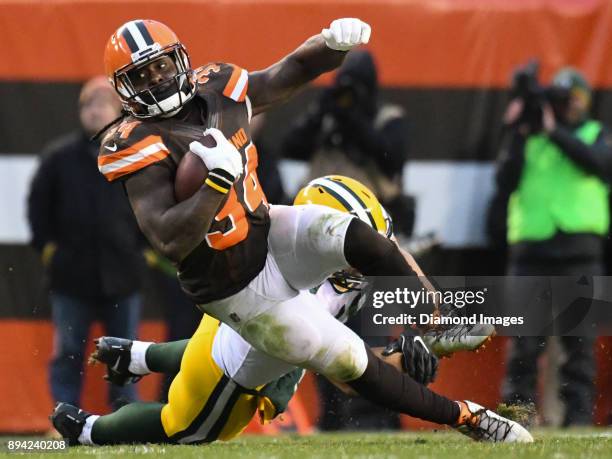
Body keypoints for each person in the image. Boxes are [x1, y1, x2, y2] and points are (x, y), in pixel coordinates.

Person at [53, 19, 529, 442]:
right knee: (195, 421)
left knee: (347, 255)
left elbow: (285, 75)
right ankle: (470, 418)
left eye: (160, 66)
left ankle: (441, 320)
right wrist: (216, 182)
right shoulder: (134, 144)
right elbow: (170, 239)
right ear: (125, 88)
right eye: (142, 74)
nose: (157, 79)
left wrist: (329, 46)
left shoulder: (217, 88)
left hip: (263, 235)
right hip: (235, 288)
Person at [53, 176, 460, 445]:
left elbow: (394, 257)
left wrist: (423, 329)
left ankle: (138, 356)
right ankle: (89, 431)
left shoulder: (318, 249)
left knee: (214, 352)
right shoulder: (314, 290)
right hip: (258, 343)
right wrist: (406, 358)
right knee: (189, 427)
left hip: (233, 318)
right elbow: (348, 376)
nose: (365, 263)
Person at [491, 67, 612, 426]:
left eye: (571, 100)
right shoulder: (528, 136)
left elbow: (600, 164)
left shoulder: (595, 134)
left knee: (578, 347)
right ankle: (517, 419)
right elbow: (504, 180)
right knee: (524, 346)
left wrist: (553, 131)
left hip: (580, 253)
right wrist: (515, 130)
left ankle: (577, 420)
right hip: (531, 254)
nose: (566, 107)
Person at [27, 77, 144, 410]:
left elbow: (150, 209)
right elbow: (38, 212)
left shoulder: (134, 158)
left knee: (125, 352)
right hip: (70, 277)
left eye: (102, 103)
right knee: (68, 349)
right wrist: (49, 250)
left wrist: (143, 250)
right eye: (88, 105)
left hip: (123, 275)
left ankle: (125, 415)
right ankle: (64, 415)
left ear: (118, 111)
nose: (95, 111)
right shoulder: (58, 159)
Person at [281, 49, 414, 236]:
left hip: (366, 214)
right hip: (314, 210)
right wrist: (320, 112)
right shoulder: (328, 114)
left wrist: (354, 121)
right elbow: (290, 147)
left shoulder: (387, 118)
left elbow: (392, 159)